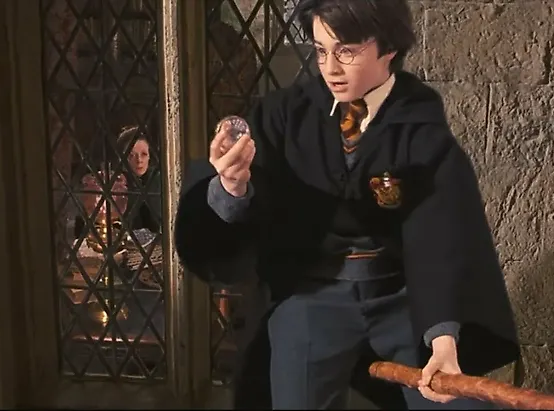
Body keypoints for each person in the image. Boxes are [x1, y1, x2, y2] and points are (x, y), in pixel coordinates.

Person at [175, 0, 520, 409]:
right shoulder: (285, 116)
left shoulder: (420, 126)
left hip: (403, 298)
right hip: (310, 294)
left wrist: (442, 338)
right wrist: (231, 187)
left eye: (347, 51)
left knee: (455, 401)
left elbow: (438, 230)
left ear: (388, 48)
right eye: (321, 51)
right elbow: (251, 199)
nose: (331, 68)